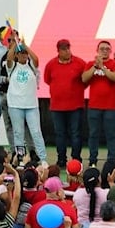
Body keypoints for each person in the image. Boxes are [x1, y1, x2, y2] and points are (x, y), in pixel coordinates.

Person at [1, 35, 47, 166]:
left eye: (25, 53)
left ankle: (43, 159)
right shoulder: (12, 67)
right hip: (15, 105)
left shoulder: (31, 66)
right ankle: (20, 158)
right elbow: (9, 58)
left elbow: (36, 59)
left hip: (31, 105)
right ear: (17, 55)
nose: (23, 55)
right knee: (18, 133)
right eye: (21, 53)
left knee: (36, 132)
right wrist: (15, 45)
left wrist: (25, 46)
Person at [44, 39, 87, 168]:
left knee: (76, 134)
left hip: (75, 106)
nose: (67, 51)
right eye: (64, 49)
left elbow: (85, 80)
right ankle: (61, 159)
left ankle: (76, 159)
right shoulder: (51, 64)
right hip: (57, 106)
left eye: (68, 48)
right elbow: (47, 80)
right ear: (58, 51)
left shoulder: (80, 63)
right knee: (60, 134)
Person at [82, 41, 115, 166]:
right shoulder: (90, 64)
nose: (104, 51)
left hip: (110, 107)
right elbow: (84, 79)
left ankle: (112, 160)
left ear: (110, 51)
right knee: (93, 134)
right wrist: (95, 66)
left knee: (111, 135)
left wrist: (103, 67)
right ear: (97, 50)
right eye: (102, 49)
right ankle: (92, 160)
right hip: (94, 106)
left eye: (107, 49)